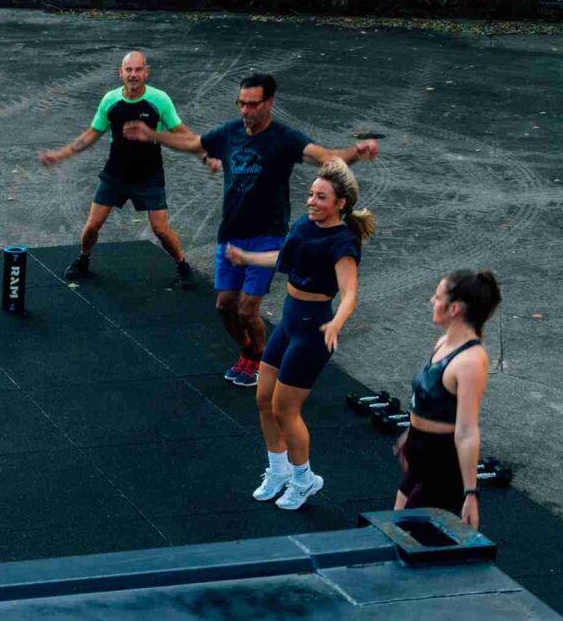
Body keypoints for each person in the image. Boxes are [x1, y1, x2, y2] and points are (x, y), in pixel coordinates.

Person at [124, 73, 380, 385]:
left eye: (252, 104)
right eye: (241, 104)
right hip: (231, 233)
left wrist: (355, 152)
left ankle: (260, 357)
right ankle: (247, 350)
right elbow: (193, 143)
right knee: (224, 306)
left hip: (267, 235)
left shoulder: (283, 139)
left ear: (269, 103)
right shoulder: (229, 133)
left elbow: (325, 157)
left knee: (247, 309)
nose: (245, 110)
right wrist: (152, 134)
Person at [223, 162, 374, 511]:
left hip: (313, 331)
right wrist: (247, 257)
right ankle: (278, 471)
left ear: (340, 204)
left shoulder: (343, 241)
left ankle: (305, 479)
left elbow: (350, 293)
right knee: (263, 398)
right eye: (311, 194)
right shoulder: (304, 226)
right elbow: (284, 256)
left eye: (321, 197)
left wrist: (336, 323)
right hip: (289, 322)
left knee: (285, 409)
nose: (311, 201)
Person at [37, 50, 196, 286]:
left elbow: (180, 131)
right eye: (128, 70)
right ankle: (83, 260)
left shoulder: (159, 100)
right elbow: (92, 134)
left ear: (146, 72)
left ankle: (182, 265)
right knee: (92, 226)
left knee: (161, 230)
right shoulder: (110, 100)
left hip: (149, 175)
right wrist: (61, 154)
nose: (133, 74)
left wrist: (205, 150)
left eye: (138, 69)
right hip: (115, 174)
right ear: (120, 73)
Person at [396, 269, 499, 529]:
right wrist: (411, 434)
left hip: (441, 462)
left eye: (438, 297)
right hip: (420, 452)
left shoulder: (470, 361)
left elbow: (467, 432)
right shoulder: (443, 342)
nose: (432, 301)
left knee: (410, 536)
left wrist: (471, 494)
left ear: (454, 309)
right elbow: (428, 399)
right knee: (395, 526)